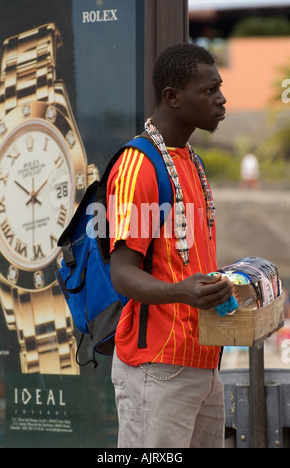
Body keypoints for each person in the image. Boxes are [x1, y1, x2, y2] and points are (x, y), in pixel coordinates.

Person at [106, 43, 233, 449]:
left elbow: (185, 263)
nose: (221, 98)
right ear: (173, 97)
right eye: (209, 89)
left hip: (204, 365)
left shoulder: (190, 161)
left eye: (220, 87)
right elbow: (122, 274)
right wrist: (181, 292)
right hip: (157, 371)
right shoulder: (139, 165)